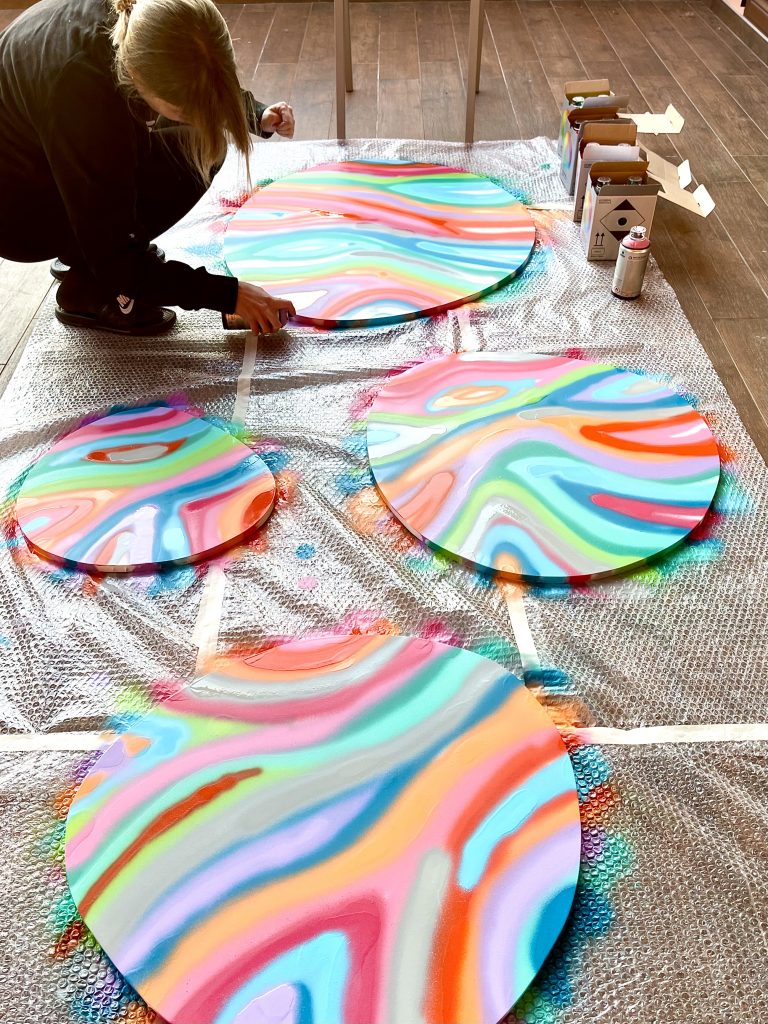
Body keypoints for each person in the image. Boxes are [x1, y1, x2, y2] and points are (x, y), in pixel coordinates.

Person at [0, 0, 297, 336]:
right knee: (121, 251)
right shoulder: (86, 101)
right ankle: (89, 290)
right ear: (140, 77)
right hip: (16, 212)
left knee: (202, 147)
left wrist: (253, 113)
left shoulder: (148, 18)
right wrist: (231, 295)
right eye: (186, 109)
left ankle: (82, 251)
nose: (200, 115)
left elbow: (198, 70)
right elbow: (116, 260)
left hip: (43, 151)